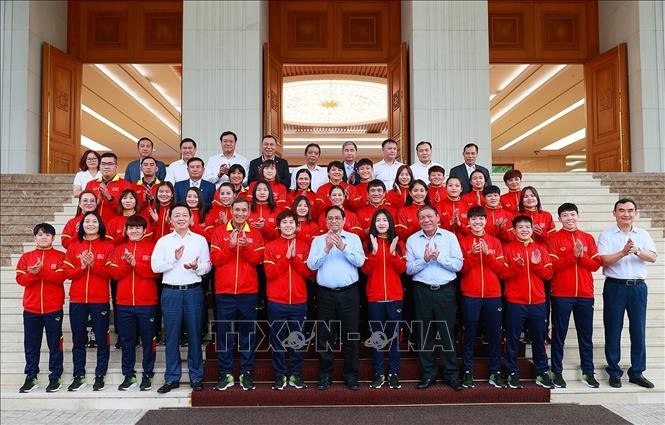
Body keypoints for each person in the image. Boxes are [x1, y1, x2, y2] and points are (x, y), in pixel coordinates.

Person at [151, 203, 212, 394]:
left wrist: (196, 268)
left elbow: (207, 265)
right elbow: (155, 267)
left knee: (194, 335)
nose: (180, 218)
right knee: (172, 336)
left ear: (191, 218)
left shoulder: (200, 240)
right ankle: (172, 377)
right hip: (171, 293)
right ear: (170, 219)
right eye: (176, 215)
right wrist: (174, 261)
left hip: (193, 291)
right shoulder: (164, 241)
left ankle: (196, 376)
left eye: (184, 215)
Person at [597, 198, 658, 389]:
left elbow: (653, 257)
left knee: (638, 330)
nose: (626, 214)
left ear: (635, 213)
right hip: (615, 286)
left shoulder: (643, 234)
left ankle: (637, 372)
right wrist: (623, 252)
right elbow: (603, 260)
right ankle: (614, 372)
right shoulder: (606, 235)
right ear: (614, 213)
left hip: (638, 287)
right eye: (621, 210)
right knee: (613, 329)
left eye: (630, 210)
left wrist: (637, 250)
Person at [307, 206, 366, 390]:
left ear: (343, 220)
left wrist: (343, 247)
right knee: (325, 336)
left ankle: (351, 375)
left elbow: (360, 262)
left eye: (337, 218)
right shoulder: (318, 241)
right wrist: (326, 249)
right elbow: (311, 265)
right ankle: (325, 375)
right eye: (330, 218)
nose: (333, 221)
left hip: (349, 293)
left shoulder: (353, 238)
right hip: (325, 294)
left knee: (350, 335)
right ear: (325, 221)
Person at [405, 205, 463, 391]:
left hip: (445, 291)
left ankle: (451, 374)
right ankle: (428, 374)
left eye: (430, 216)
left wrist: (439, 258)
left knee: (447, 334)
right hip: (422, 291)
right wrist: (425, 259)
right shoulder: (412, 240)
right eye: (422, 217)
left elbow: (458, 265)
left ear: (438, 217)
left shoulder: (449, 237)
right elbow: (408, 269)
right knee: (424, 334)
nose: (426, 220)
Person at [210, 198, 265, 391]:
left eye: (244, 210)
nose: (240, 213)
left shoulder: (256, 233)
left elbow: (258, 260)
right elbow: (215, 260)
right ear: (231, 211)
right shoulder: (219, 231)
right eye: (237, 210)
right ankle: (225, 373)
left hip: (248, 292)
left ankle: (246, 372)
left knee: (247, 334)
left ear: (249, 212)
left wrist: (245, 247)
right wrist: (230, 247)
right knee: (224, 335)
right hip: (224, 292)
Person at [547, 203, 602, 389]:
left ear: (578, 216)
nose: (569, 218)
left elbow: (595, 264)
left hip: (585, 295)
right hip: (562, 294)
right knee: (559, 334)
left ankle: (588, 372)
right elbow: (553, 267)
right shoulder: (554, 239)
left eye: (572, 214)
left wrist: (581, 257)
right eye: (565, 215)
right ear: (560, 219)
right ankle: (557, 372)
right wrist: (573, 255)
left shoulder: (587, 238)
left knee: (586, 336)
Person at [62, 211, 114, 392]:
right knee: (78, 339)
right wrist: (82, 267)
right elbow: (67, 273)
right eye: (87, 221)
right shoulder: (74, 245)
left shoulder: (108, 245)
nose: (90, 224)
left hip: (99, 300)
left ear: (100, 224)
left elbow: (110, 274)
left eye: (94, 221)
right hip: (77, 300)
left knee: (101, 338)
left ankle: (100, 375)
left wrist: (93, 265)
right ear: (82, 224)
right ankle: (79, 375)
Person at [501, 215, 554, 389]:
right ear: (514, 230)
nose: (524, 230)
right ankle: (512, 372)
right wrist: (517, 266)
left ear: (532, 229)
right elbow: (503, 275)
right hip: (515, 302)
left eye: (527, 227)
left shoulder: (541, 249)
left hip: (538, 302)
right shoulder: (507, 249)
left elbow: (548, 275)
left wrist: (537, 264)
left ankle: (541, 372)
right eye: (520, 227)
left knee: (539, 339)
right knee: (513, 339)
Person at [108, 215, 158, 391]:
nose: (134, 231)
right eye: (131, 228)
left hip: (147, 303)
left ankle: (148, 374)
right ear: (126, 231)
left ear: (145, 231)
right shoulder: (119, 249)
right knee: (127, 341)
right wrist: (128, 265)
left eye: (138, 228)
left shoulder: (152, 248)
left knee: (148, 340)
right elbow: (114, 274)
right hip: (124, 304)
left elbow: (156, 273)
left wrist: (136, 264)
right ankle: (129, 375)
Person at [264, 210, 313, 390]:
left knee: (297, 340)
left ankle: (296, 375)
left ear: (297, 225)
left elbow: (309, 273)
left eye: (291, 222)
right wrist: (286, 259)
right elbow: (269, 274)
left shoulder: (304, 246)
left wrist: (295, 260)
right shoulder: (271, 246)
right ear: (278, 226)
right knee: (277, 339)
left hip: (299, 301)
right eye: (284, 222)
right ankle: (279, 375)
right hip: (277, 301)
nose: (288, 225)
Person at [458, 206, 506, 389]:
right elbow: (461, 269)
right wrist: (472, 255)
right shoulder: (463, 241)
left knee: (494, 335)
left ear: (486, 221)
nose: (477, 222)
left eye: (481, 219)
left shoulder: (495, 242)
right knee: (469, 334)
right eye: (474, 219)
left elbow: (501, 270)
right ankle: (468, 372)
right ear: (468, 221)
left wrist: (487, 256)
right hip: (470, 294)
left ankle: (495, 371)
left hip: (493, 295)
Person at [16, 223, 66, 393]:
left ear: (53, 237)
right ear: (35, 237)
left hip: (53, 309)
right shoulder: (26, 257)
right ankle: (31, 376)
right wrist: (33, 274)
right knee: (31, 345)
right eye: (40, 234)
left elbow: (61, 277)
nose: (43, 237)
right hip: (31, 309)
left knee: (55, 344)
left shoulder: (60, 256)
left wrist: (40, 272)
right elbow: (21, 280)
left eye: (47, 234)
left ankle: (55, 376)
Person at [362, 209, 405, 389]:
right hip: (375, 297)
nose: (381, 223)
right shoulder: (368, 244)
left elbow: (402, 269)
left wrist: (393, 253)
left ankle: (393, 372)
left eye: (384, 220)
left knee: (394, 338)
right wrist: (374, 252)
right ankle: (379, 373)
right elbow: (365, 270)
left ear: (390, 223)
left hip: (395, 297)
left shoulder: (398, 242)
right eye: (378, 220)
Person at [85, 152, 133, 224]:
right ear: (99, 166)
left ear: (116, 166)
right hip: (94, 226)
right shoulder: (90, 184)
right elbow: (84, 207)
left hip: (116, 226)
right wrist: (97, 202)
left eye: (110, 164)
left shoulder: (125, 184)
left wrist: (109, 197)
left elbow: (128, 209)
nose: (106, 167)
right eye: (103, 164)